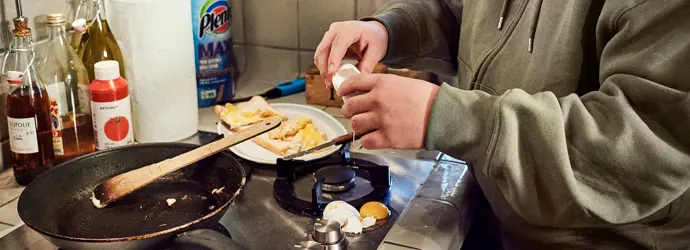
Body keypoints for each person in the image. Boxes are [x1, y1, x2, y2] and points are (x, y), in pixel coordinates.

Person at [314, 0, 690, 249]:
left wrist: (449, 117)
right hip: (508, 224)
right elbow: (462, 13)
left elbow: (645, 139)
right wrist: (389, 30)